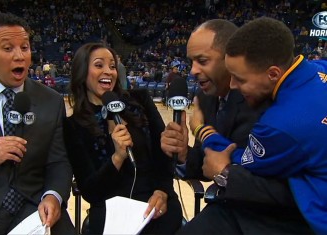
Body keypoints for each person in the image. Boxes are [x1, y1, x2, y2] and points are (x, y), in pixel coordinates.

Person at [161, 19, 312, 234]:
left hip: (277, 221)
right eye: (191, 61)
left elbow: (291, 190)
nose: (193, 70)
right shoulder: (206, 98)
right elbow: (210, 163)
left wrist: (224, 172)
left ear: (230, 58)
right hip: (229, 208)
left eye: (202, 60)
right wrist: (184, 153)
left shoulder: (270, 102)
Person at [0, 12, 75, 235]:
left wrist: (53, 196)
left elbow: (59, 162)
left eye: (24, 47)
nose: (19, 56)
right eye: (8, 48)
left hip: (35, 207)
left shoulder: (51, 100)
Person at [63, 42, 183, 234]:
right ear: (82, 72)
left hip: (155, 202)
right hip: (111, 212)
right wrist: (117, 158)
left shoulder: (140, 100)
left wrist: (163, 191)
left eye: (112, 66)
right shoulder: (73, 125)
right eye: (99, 65)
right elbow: (90, 191)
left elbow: (164, 156)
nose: (108, 72)